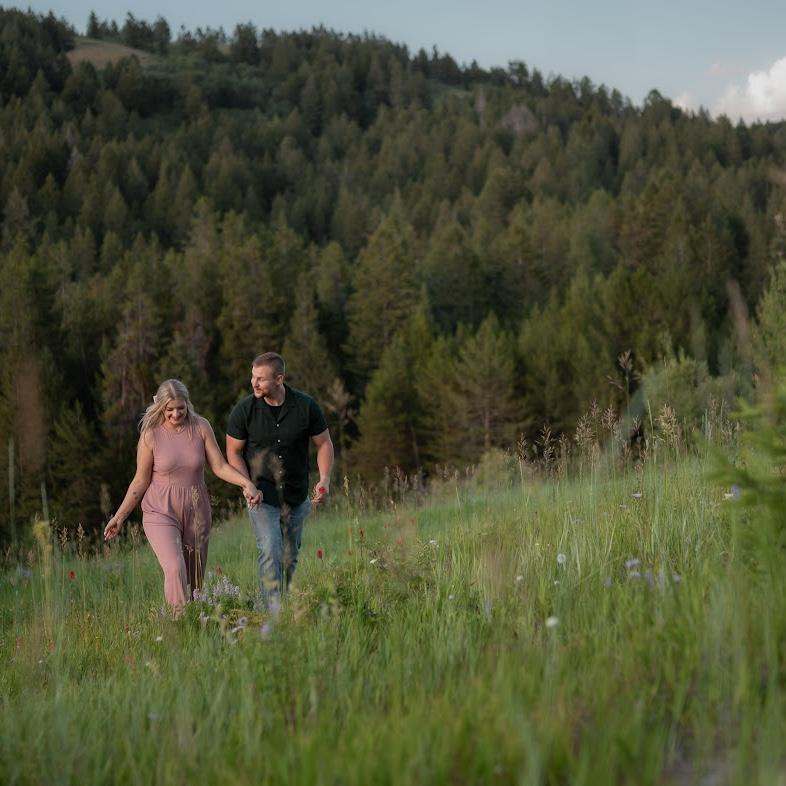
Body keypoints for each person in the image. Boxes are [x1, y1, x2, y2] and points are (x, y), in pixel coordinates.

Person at [103, 379, 262, 612]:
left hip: (197, 510)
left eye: (181, 408)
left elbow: (219, 467)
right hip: (160, 510)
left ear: (188, 404)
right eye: (170, 409)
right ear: (161, 407)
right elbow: (140, 480)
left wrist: (246, 483)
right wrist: (120, 516)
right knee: (175, 568)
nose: (176, 414)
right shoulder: (151, 435)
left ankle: (195, 622)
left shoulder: (201, 427)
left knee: (194, 581)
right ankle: (179, 622)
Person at [226, 352, 334, 611]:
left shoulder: (306, 406)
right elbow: (233, 452)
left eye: (260, 379)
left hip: (297, 496)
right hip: (261, 496)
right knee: (270, 551)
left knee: (289, 557)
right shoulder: (244, 410)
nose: (253, 383)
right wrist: (246, 484)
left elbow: (324, 444)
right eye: (252, 377)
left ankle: (282, 606)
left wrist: (325, 479)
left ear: (279, 379)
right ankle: (270, 614)